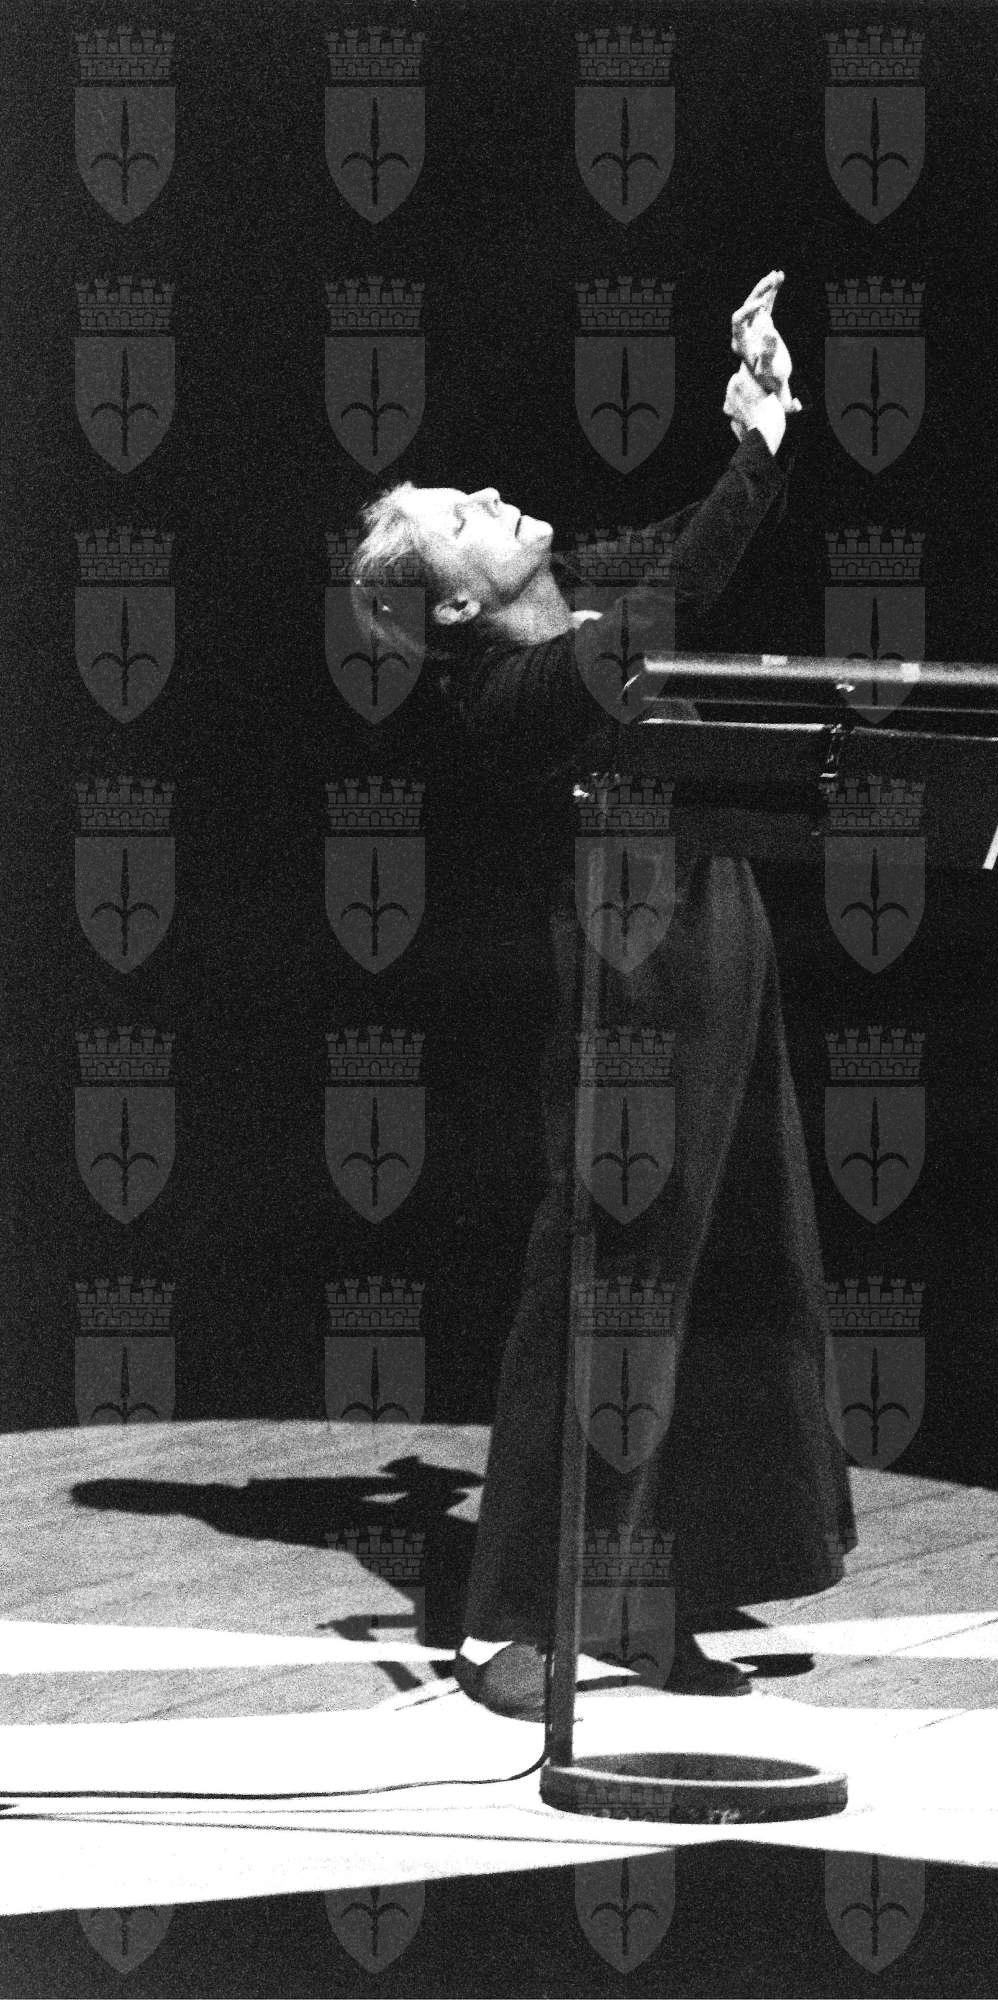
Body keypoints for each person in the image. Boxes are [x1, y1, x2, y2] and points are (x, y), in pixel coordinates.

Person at [350, 272, 856, 1720]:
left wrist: (757, 430)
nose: (493, 496)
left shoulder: (569, 585)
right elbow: (673, 596)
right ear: (456, 599)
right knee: (600, 1284)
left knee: (731, 1260)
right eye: (462, 513)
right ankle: (510, 1617)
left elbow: (690, 539)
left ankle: (659, 1589)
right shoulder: (504, 695)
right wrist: (748, 467)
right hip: (629, 982)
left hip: (714, 931)